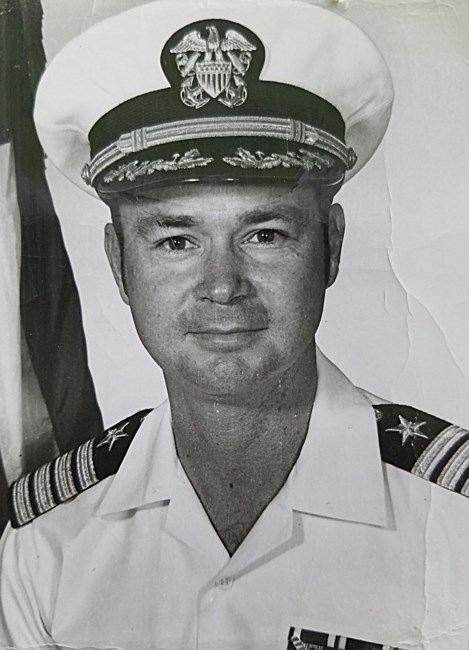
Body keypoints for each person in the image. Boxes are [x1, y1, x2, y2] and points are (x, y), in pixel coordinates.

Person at [1, 2, 469, 649]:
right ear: (118, 264)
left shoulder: (454, 518)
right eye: (176, 241)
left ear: (330, 247)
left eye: (264, 234)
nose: (222, 285)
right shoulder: (47, 541)